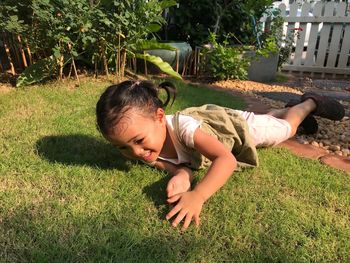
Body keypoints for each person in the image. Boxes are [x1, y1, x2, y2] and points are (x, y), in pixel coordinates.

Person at [96, 80, 345, 231]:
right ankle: (283, 110)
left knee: (283, 131)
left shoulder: (185, 128)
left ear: (160, 118)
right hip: (229, 123)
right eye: (123, 147)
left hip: (239, 127)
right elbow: (176, 166)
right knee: (271, 121)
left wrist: (198, 195)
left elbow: (225, 159)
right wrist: (183, 175)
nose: (136, 153)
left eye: (138, 141)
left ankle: (307, 103)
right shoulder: (139, 147)